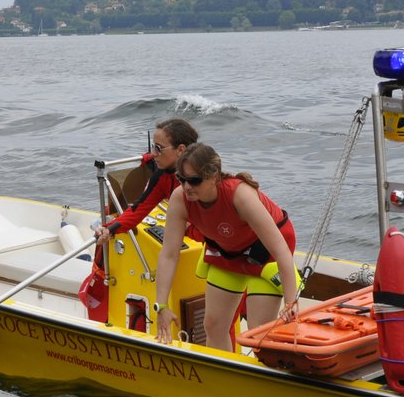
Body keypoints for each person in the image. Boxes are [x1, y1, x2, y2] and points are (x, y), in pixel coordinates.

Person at [152, 144, 300, 350]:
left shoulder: (240, 195)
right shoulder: (180, 199)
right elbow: (168, 254)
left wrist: (291, 301)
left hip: (266, 254)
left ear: (213, 176)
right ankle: (223, 378)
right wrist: (162, 306)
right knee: (213, 326)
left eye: (194, 180)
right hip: (228, 253)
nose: (186, 187)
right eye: (181, 179)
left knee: (259, 333)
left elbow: (281, 251)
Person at [92, 117, 199, 243]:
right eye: (153, 147)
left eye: (158, 148)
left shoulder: (204, 178)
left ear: (181, 150)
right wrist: (109, 229)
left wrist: (188, 230)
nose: (153, 154)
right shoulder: (162, 177)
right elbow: (137, 210)